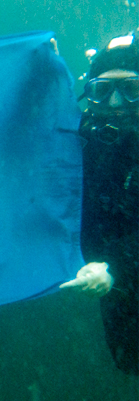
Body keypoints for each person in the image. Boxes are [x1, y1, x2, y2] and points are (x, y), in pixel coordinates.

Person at [60, 31, 138, 376]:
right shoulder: (81, 143)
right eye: (103, 90)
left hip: (116, 272)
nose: (117, 103)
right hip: (117, 289)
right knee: (129, 360)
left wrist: (116, 266)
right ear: (88, 94)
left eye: (132, 90)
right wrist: (44, 73)